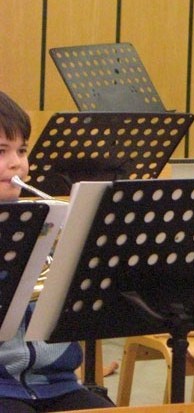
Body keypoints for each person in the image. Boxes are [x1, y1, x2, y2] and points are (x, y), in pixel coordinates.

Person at [0, 91, 114, 412]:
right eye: (1, 151)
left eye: (22, 150)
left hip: (58, 382)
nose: (17, 163)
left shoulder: (45, 220)